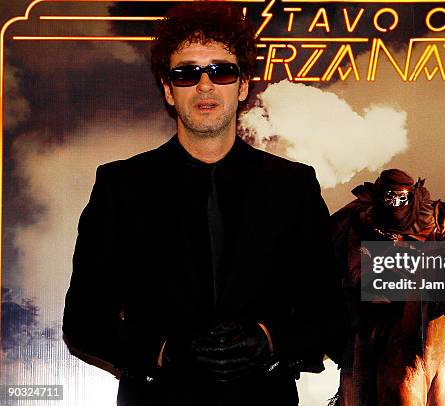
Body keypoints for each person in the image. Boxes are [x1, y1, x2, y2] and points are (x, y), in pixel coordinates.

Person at [62, 3, 348, 405]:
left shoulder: (293, 186)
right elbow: (83, 322)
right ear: (168, 88)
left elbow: (329, 314)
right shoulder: (121, 187)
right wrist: (162, 352)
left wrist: (268, 339)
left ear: (243, 85)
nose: (205, 85)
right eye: (187, 73)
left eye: (221, 71)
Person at [330, 169, 445, 405]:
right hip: (377, 302)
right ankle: (355, 398)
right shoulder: (364, 220)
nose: (396, 203)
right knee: (360, 347)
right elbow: (357, 270)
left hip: (425, 297)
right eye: (390, 197)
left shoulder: (427, 218)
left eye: (402, 198)